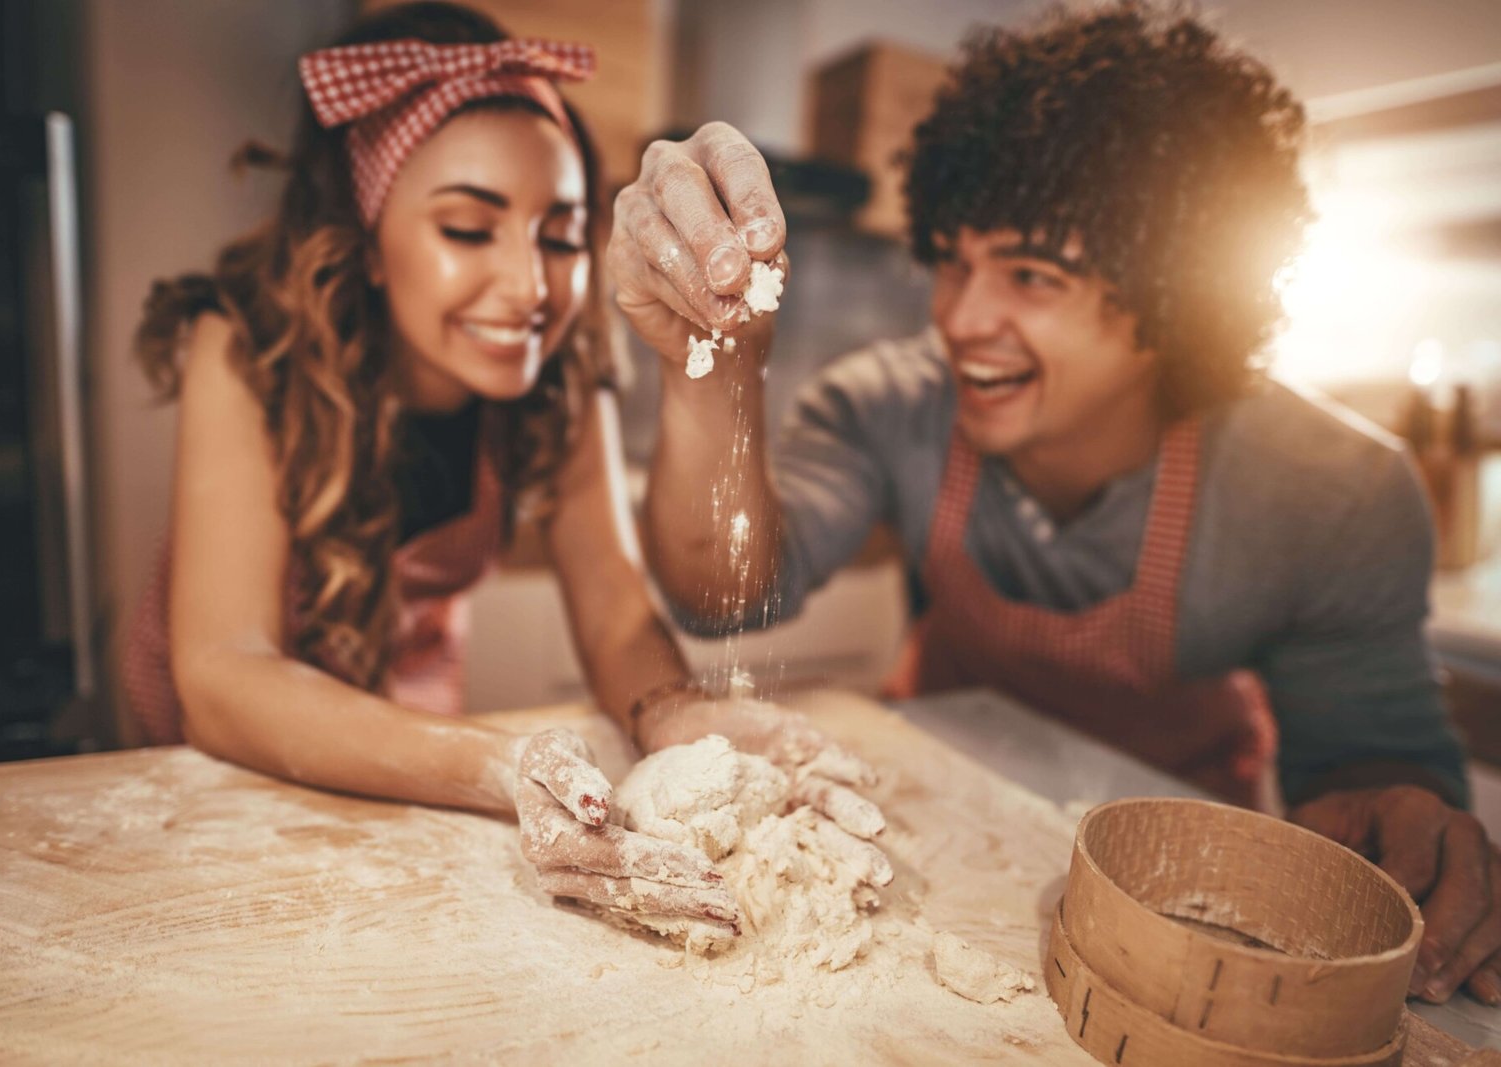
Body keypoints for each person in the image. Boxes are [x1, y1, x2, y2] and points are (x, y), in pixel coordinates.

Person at [611, 2, 1501, 1003]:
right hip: (924, 840)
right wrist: (712, 362)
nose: (961, 317)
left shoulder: (1327, 490)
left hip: (1171, 888)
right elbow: (724, 593)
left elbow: (1367, 760)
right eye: (954, 259)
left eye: (1031, 275)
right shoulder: (888, 407)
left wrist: (1401, 821)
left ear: (1176, 300)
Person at [121, 1, 885, 938]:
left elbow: (612, 610)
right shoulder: (244, 347)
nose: (530, 288)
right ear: (366, 239)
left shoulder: (557, 376)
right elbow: (224, 673)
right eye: (469, 230)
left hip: (406, 733)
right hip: (214, 765)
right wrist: (499, 764)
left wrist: (672, 710)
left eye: (559, 235)